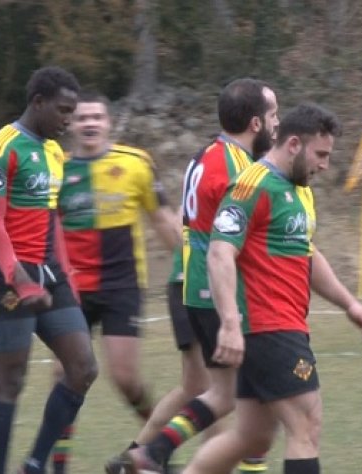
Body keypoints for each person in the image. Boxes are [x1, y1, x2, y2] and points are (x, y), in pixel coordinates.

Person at [182, 103, 362, 474]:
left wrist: (350, 305)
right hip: (268, 327)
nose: (325, 165)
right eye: (320, 154)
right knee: (305, 425)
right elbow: (220, 252)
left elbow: (306, 256)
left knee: (253, 436)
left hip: (282, 325)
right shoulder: (252, 185)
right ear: (293, 144)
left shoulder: (299, 190)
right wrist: (229, 322)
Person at [106, 77, 279, 474]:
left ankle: (141, 454)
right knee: (254, 393)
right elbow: (240, 238)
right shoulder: (238, 167)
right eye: (273, 115)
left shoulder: (207, 154)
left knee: (211, 391)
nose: (277, 124)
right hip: (215, 287)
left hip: (189, 281)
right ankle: (152, 454)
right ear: (255, 123)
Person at [0, 66, 98, 474]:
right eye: (63, 111)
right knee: (12, 378)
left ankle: (34, 464)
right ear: (38, 102)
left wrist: (67, 276)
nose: (68, 121)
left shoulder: (54, 153)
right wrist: (18, 278)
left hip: (48, 272)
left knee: (83, 368)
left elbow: (52, 218)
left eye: (72, 112)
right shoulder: (0, 147)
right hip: (3, 275)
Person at [51, 92, 182, 473]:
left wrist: (193, 263)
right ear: (70, 124)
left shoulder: (135, 163)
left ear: (109, 122)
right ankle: (57, 464)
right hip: (71, 289)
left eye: (97, 117)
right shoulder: (56, 169)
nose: (90, 123)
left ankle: (154, 449)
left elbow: (162, 220)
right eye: (82, 118)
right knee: (66, 375)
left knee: (125, 379)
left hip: (121, 287)